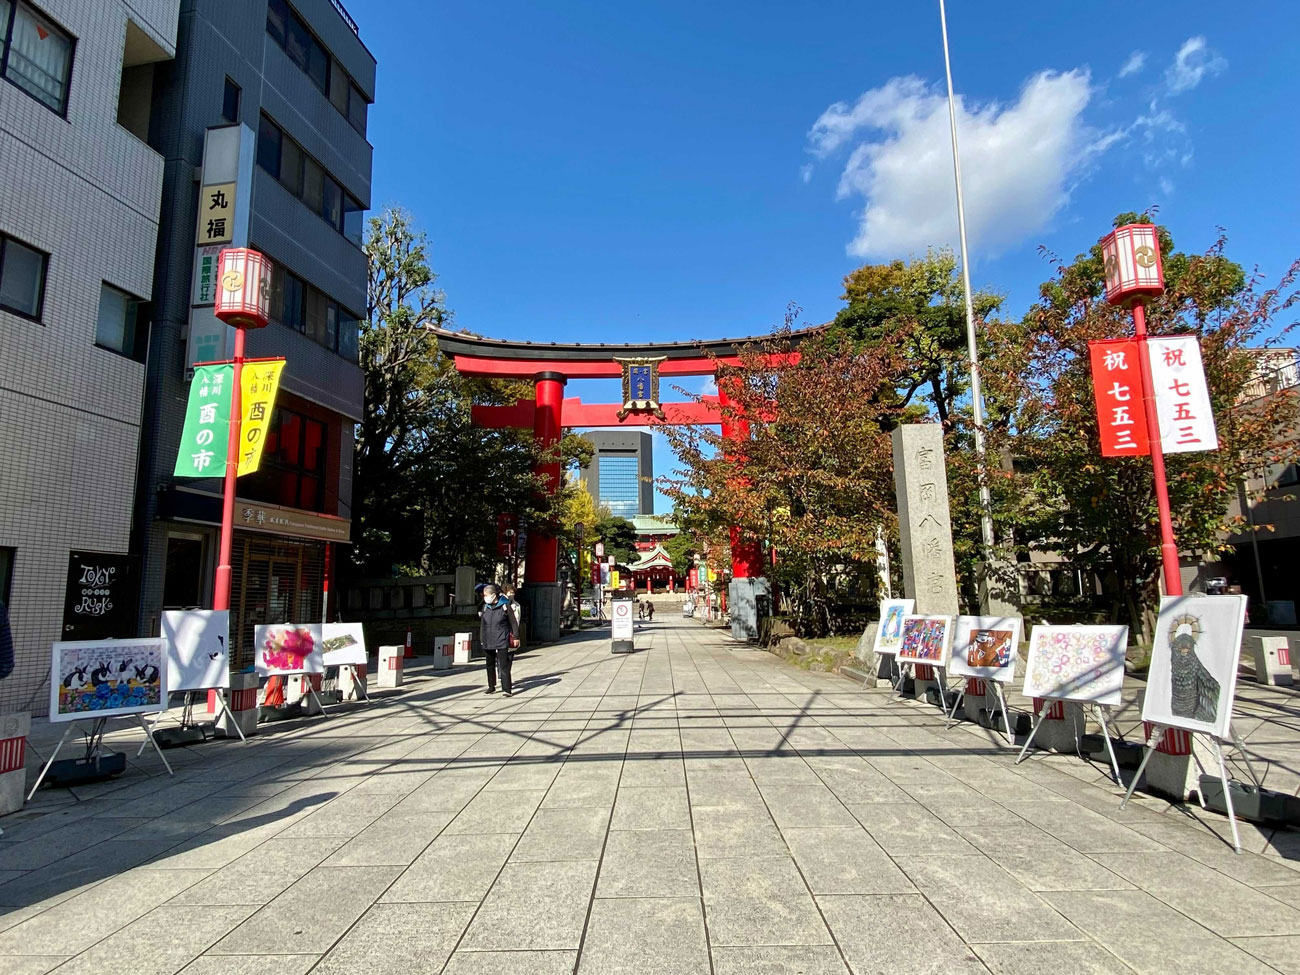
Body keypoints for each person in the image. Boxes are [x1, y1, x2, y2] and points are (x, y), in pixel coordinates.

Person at [479, 584, 519, 696]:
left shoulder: (504, 605)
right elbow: (482, 624)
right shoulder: (485, 607)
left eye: (486, 595)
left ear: (493, 595)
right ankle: (491, 686)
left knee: (504, 664)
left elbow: (513, 622)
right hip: (488, 638)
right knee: (489, 664)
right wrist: (481, 638)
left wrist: (516, 636)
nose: (485, 597)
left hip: (502, 637)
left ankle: (507, 689)